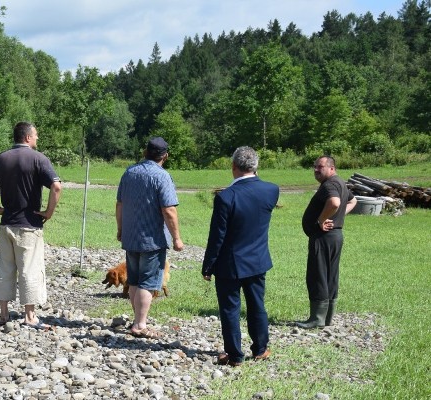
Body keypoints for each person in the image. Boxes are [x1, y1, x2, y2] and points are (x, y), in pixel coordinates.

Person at [0, 122, 62, 328]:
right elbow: (56, 186)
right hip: (29, 225)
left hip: (6, 223)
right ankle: (30, 316)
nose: (37, 139)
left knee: (5, 269)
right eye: (36, 136)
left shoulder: (2, 158)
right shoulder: (38, 158)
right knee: (29, 270)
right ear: (27, 137)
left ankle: (4, 314)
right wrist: (48, 213)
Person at [202, 146, 279, 366]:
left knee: (230, 309)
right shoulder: (271, 190)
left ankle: (235, 355)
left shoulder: (226, 197)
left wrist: (208, 266)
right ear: (256, 167)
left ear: (233, 167)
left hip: (230, 263)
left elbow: (217, 237)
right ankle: (260, 349)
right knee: (257, 305)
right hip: (257, 260)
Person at [116, 137, 184, 339]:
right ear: (165, 156)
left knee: (134, 281)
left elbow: (119, 204)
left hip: (131, 236)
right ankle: (140, 324)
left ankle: (137, 319)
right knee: (147, 282)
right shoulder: (162, 176)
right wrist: (177, 238)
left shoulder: (129, 172)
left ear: (145, 152)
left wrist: (120, 229)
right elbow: (169, 209)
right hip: (152, 239)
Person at [297, 155, 357, 328]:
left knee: (318, 275)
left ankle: (316, 319)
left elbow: (335, 202)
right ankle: (327, 317)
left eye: (320, 167)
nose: (316, 170)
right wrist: (337, 216)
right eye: (315, 166)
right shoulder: (339, 182)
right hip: (335, 236)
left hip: (323, 237)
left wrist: (321, 220)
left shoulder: (330, 184)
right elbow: (353, 200)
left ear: (331, 168)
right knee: (330, 275)